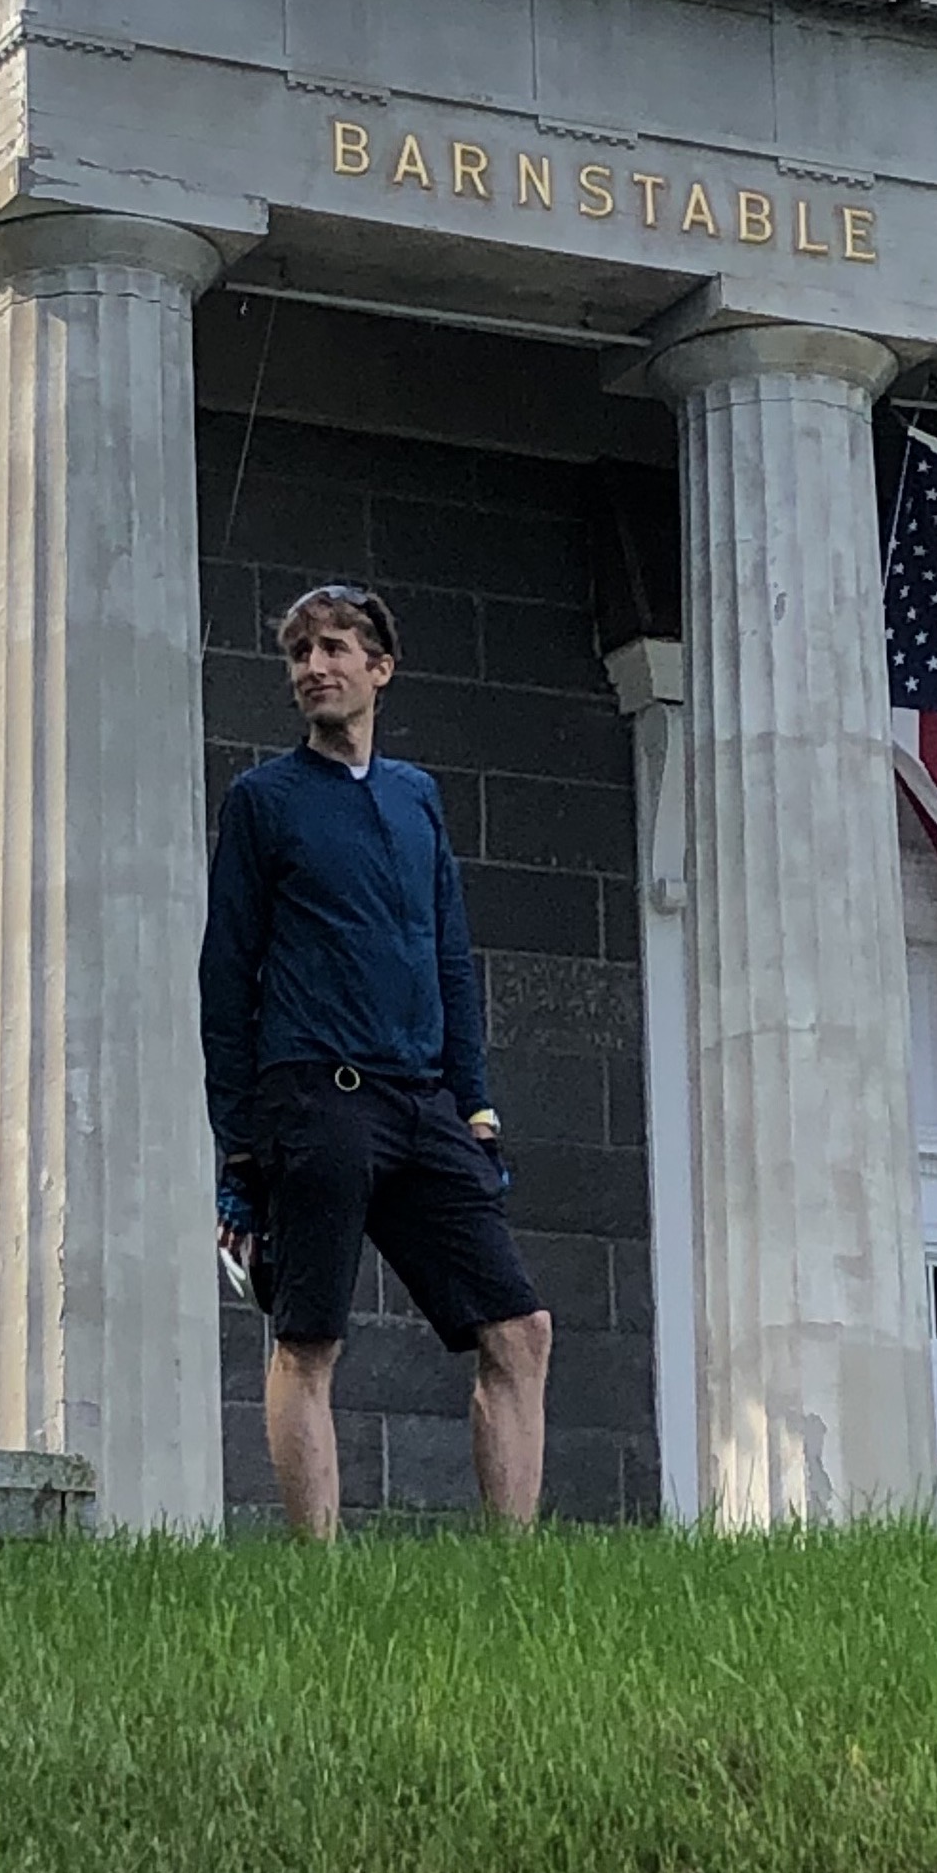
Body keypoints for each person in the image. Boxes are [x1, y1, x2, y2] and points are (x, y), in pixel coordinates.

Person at [199, 582, 551, 1539]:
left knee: (519, 1331)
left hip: (424, 1104)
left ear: (380, 668)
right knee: (309, 1337)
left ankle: (514, 1570)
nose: (314, 666)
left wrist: (476, 1109)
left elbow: (448, 955)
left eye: (335, 647)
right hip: (314, 1098)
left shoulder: (417, 799)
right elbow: (225, 979)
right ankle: (321, 1572)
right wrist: (238, 1151)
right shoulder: (264, 801)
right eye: (301, 651)